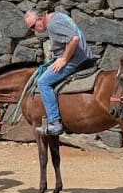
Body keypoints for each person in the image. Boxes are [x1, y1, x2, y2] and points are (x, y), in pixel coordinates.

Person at [23, 7, 93, 135]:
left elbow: (74, 39)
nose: (34, 31)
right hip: (81, 56)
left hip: (75, 60)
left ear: (40, 19)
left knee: (43, 82)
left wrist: (64, 59)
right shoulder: (58, 16)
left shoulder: (53, 25)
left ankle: (54, 122)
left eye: (33, 27)